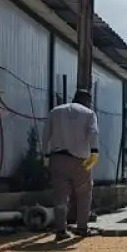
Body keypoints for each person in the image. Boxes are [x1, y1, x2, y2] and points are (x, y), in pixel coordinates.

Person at [42, 91, 99, 241]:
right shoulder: (89, 113)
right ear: (87, 101)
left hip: (57, 158)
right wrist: (94, 152)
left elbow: (46, 134)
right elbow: (93, 133)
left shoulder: (55, 111)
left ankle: (61, 230)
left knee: (60, 195)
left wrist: (45, 155)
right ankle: (82, 227)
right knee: (84, 193)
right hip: (81, 160)